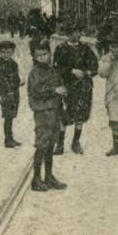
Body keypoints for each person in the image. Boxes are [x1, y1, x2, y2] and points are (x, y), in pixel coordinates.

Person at [26, 39, 68, 192]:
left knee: (50, 144)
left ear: (49, 54)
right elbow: (37, 90)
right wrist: (54, 90)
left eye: (45, 54)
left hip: (54, 111)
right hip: (42, 112)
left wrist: (63, 92)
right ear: (35, 57)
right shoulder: (34, 73)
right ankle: (36, 179)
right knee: (42, 145)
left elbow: (61, 85)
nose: (42, 58)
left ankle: (48, 176)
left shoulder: (52, 71)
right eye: (39, 55)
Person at [52, 26, 98, 154]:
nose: (77, 34)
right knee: (63, 115)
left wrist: (86, 72)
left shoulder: (85, 48)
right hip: (66, 86)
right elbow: (56, 68)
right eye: (73, 32)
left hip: (83, 87)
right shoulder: (61, 49)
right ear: (68, 34)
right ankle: (60, 143)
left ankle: (75, 142)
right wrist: (71, 71)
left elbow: (94, 65)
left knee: (80, 115)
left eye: (78, 31)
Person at [0, 39, 22, 147]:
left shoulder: (13, 64)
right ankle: (8, 140)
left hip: (14, 95)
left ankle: (10, 138)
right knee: (8, 117)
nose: (5, 55)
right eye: (3, 52)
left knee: (12, 116)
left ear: (12, 52)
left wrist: (19, 82)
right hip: (5, 96)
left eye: (8, 52)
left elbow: (16, 78)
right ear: (0, 52)